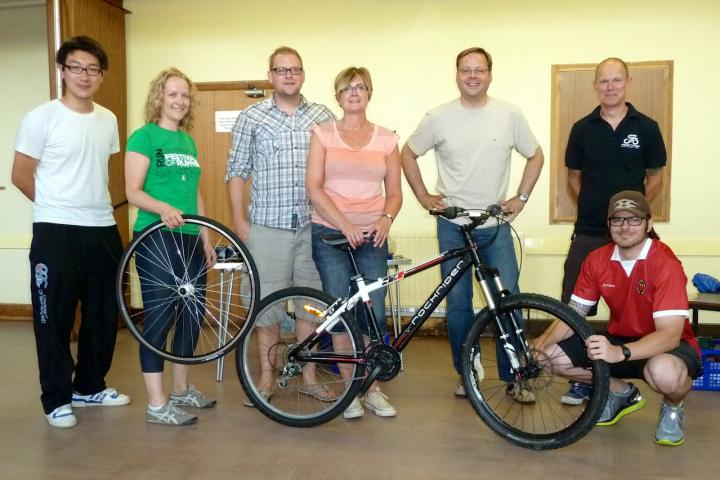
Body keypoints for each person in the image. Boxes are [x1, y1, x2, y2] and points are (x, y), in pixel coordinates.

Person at [400, 47, 544, 401]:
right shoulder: (439, 117)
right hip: (453, 227)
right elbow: (407, 153)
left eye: (480, 70)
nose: (473, 76)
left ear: (490, 74)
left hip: (494, 227)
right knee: (459, 306)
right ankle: (467, 373)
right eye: (466, 70)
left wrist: (520, 199)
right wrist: (423, 196)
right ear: (457, 74)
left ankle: (517, 376)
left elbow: (535, 155)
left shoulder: (509, 114)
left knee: (508, 300)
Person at [11, 36, 130, 428]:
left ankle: (90, 387)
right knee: (54, 319)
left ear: (101, 75)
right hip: (55, 231)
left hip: (102, 228)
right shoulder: (40, 118)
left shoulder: (108, 119)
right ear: (62, 71)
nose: (85, 75)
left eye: (93, 69)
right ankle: (57, 397)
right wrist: (54, 208)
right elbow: (20, 175)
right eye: (76, 67)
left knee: (102, 315)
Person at [538, 191, 701, 446]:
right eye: (617, 220)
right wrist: (537, 345)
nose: (625, 227)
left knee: (665, 373)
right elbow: (573, 315)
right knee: (549, 357)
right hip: (619, 340)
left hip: (669, 345)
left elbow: (669, 335)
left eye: (634, 219)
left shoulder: (664, 263)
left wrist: (620, 352)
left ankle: (672, 406)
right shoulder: (597, 259)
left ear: (649, 224)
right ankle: (621, 392)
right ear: (609, 225)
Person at [226, 46, 336, 406]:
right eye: (281, 69)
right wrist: (241, 223)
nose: (288, 75)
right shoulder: (251, 117)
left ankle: (307, 376)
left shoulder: (322, 116)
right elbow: (236, 172)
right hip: (266, 229)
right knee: (265, 307)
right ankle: (267, 379)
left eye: (295, 69)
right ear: (270, 75)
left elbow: (336, 172)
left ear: (303, 74)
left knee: (311, 306)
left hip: (312, 227)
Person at [560, 57, 667, 405]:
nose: (610, 86)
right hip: (590, 230)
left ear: (628, 83)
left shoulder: (647, 127)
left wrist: (632, 214)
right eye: (603, 81)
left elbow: (656, 176)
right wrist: (597, 211)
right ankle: (583, 379)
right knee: (572, 307)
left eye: (616, 80)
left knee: (647, 302)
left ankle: (648, 367)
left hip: (635, 236)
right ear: (596, 86)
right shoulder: (582, 128)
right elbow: (573, 177)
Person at [307, 66, 402, 419]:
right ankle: (350, 392)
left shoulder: (387, 138)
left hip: (372, 235)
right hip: (330, 233)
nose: (354, 93)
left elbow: (394, 193)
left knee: (373, 313)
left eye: (361, 87)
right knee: (340, 311)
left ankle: (372, 388)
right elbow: (314, 188)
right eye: (348, 88)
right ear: (338, 95)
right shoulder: (323, 133)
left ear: (370, 93)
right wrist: (344, 223)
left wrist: (385, 219)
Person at [125, 68, 217, 426]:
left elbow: (195, 193)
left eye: (185, 95)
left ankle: (181, 390)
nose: (180, 101)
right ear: (159, 98)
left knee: (193, 316)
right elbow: (133, 191)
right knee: (160, 318)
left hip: (191, 237)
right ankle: (157, 403)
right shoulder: (143, 137)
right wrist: (162, 208)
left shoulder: (188, 142)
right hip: (155, 236)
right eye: (172, 94)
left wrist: (207, 237)